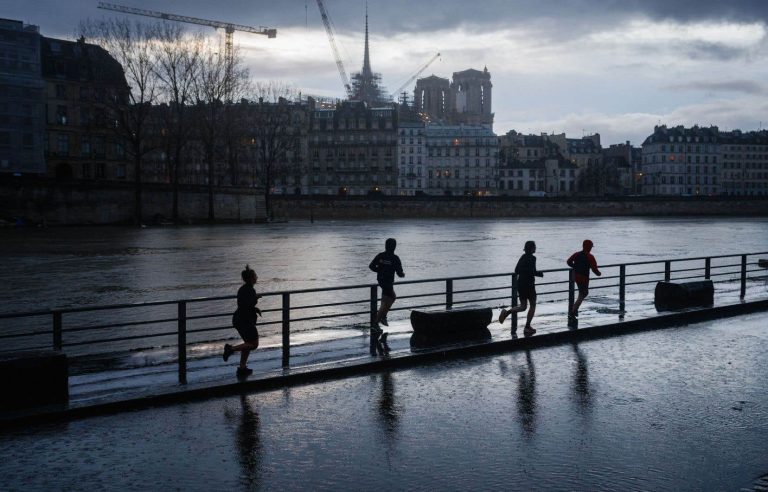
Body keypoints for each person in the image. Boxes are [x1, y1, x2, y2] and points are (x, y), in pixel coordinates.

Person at [224, 265, 262, 377]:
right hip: (244, 321)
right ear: (251, 278)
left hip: (239, 319)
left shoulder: (243, 289)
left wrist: (255, 304)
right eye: (255, 276)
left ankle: (242, 368)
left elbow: (244, 304)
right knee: (254, 344)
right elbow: (248, 304)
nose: (257, 277)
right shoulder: (250, 290)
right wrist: (256, 298)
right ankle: (230, 349)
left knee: (247, 343)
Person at [499, 240, 543, 336]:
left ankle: (507, 312)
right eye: (534, 246)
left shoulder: (523, 257)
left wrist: (528, 271)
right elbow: (533, 271)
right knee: (533, 305)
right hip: (529, 285)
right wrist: (540, 274)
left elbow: (516, 270)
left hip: (521, 284)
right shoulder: (533, 258)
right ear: (531, 248)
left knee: (523, 306)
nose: (535, 248)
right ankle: (527, 327)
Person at [369, 238, 405, 337]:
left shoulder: (380, 255)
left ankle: (382, 317)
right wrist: (402, 274)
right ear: (394, 247)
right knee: (387, 301)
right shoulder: (395, 258)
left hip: (380, 280)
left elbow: (371, 266)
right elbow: (399, 273)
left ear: (385, 245)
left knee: (389, 299)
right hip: (388, 282)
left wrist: (379, 270)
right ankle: (377, 322)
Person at [567, 239, 602, 321]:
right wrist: (599, 274)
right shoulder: (590, 256)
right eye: (591, 247)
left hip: (576, 276)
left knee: (582, 293)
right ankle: (573, 311)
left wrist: (574, 267)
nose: (591, 248)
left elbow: (568, 261)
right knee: (583, 294)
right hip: (584, 278)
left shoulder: (576, 254)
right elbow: (594, 269)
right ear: (589, 247)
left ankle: (574, 310)